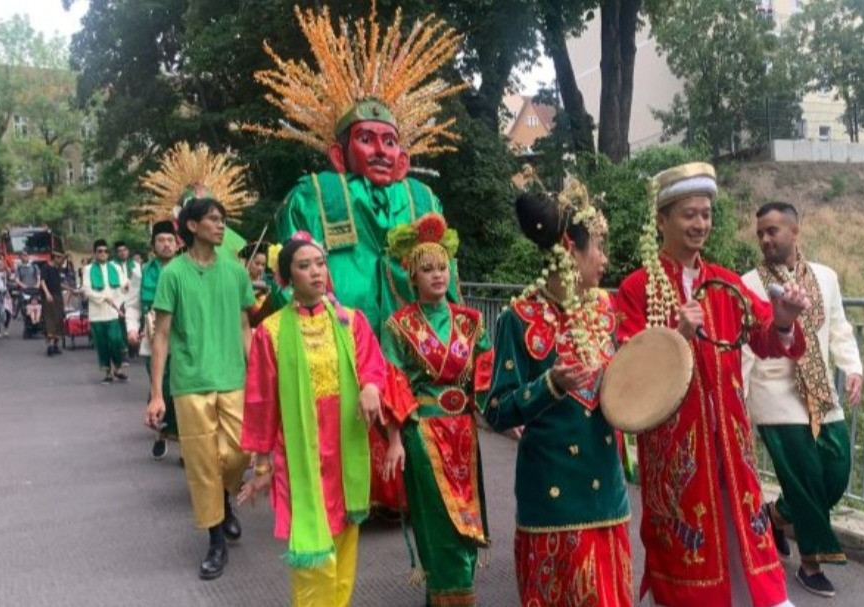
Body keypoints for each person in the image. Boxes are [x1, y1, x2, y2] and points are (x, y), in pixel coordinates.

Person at [249, 5, 466, 515]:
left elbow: (447, 273)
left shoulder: (420, 196)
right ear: (339, 152)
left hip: (412, 336)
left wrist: (457, 334)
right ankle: (349, 496)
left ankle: (413, 493)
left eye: (390, 141)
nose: (381, 151)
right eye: (366, 139)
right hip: (343, 336)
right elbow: (291, 266)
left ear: (405, 156)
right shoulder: (316, 192)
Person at [614, 163, 811, 607]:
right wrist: (675, 336)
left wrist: (782, 320)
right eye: (689, 214)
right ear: (662, 220)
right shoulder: (636, 288)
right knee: (685, 552)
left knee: (743, 536)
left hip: (730, 444)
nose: (700, 224)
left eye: (705, 214)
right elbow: (628, 375)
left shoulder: (724, 283)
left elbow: (764, 336)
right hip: (676, 450)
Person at [484, 181, 632, 607]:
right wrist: (550, 385)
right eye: (598, 247)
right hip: (551, 498)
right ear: (571, 247)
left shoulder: (605, 310)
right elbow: (496, 410)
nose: (604, 260)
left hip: (607, 491)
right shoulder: (519, 318)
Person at [238, 231, 386, 607]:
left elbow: (373, 365)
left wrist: (371, 387)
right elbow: (260, 400)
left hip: (344, 443)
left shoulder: (351, 321)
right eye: (304, 266)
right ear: (287, 277)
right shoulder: (270, 333)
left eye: (320, 263)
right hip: (298, 449)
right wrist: (261, 464)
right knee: (312, 542)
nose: (316, 273)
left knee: (345, 535)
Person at [741, 201, 863, 598]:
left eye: (773, 230)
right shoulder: (749, 283)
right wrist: (739, 399)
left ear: (795, 232)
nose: (765, 238)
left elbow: (839, 327)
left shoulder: (826, 277)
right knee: (807, 478)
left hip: (821, 391)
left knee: (836, 471)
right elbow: (744, 348)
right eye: (760, 232)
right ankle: (810, 564)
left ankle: (775, 516)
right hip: (775, 395)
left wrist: (854, 367)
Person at [380, 214, 493, 606]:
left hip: (464, 432)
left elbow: (487, 372)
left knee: (467, 520)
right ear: (412, 275)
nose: (437, 275)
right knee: (439, 523)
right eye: (427, 269)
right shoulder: (398, 325)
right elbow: (393, 383)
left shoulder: (471, 321)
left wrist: (499, 413)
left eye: (442, 267)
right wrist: (395, 437)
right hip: (423, 433)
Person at [144, 194, 254, 581]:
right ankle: (215, 542)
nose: (221, 225)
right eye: (213, 219)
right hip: (189, 382)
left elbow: (245, 326)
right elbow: (161, 335)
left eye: (223, 219)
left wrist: (258, 376)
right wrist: (157, 394)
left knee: (241, 450)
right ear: (191, 227)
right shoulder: (173, 273)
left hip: (233, 377)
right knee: (203, 463)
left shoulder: (237, 273)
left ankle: (223, 501)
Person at [126, 220, 181, 460]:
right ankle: (163, 431)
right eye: (161, 240)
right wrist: (131, 328)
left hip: (181, 340)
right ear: (153, 245)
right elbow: (132, 304)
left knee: (182, 391)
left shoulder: (185, 269)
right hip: (152, 340)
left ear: (178, 244)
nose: (166, 245)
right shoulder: (142, 271)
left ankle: (185, 446)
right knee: (162, 386)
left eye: (170, 240)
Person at [83, 239, 128, 385]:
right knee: (102, 344)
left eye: (105, 251)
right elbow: (87, 290)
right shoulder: (88, 269)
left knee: (115, 340)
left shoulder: (115, 267)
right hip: (97, 313)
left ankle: (118, 369)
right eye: (100, 251)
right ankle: (108, 372)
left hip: (113, 312)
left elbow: (123, 285)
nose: (103, 254)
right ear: (95, 253)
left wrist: (125, 290)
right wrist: (103, 298)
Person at [40, 251, 67, 356]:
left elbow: (59, 284)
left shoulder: (57, 269)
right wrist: (47, 293)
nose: (60, 260)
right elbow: (42, 281)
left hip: (58, 296)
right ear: (54, 258)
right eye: (59, 257)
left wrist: (71, 289)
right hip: (50, 297)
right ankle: (50, 346)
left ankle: (56, 344)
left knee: (59, 319)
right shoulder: (46, 268)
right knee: (50, 320)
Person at [13, 250, 42, 327]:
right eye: (23, 256)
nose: (25, 257)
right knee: (23, 305)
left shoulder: (34, 266)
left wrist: (38, 284)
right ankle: (16, 313)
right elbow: (17, 279)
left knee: (39, 304)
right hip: (25, 290)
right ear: (20, 258)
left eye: (26, 255)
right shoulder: (19, 268)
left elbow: (38, 277)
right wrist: (23, 285)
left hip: (35, 290)